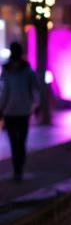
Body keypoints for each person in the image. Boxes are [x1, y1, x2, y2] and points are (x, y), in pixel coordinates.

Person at [0, 42, 40, 181]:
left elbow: (3, 92)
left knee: (14, 142)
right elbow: (35, 91)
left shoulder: (6, 71)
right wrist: (35, 107)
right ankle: (19, 169)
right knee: (21, 141)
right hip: (23, 111)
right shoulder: (28, 71)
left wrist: (1, 108)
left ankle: (17, 169)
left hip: (10, 111)